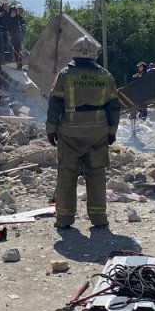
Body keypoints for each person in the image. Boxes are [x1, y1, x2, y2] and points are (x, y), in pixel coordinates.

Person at [46, 36, 120, 230]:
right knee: (96, 175)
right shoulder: (106, 76)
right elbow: (113, 107)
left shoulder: (65, 75)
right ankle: (99, 218)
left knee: (67, 175)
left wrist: (51, 129)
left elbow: (55, 104)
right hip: (98, 133)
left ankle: (64, 219)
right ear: (95, 54)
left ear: (75, 53)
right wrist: (112, 131)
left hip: (70, 133)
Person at [7, 5, 26, 69]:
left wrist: (22, 37)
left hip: (18, 37)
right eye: (18, 10)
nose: (19, 11)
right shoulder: (8, 18)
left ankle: (19, 65)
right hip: (11, 36)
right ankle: (11, 62)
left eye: (21, 10)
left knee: (18, 50)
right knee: (11, 49)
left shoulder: (21, 19)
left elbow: (23, 29)